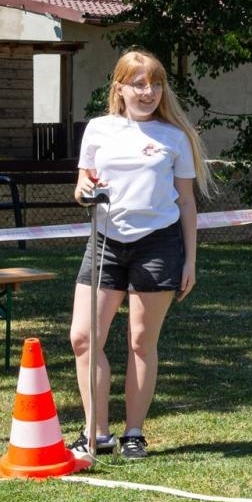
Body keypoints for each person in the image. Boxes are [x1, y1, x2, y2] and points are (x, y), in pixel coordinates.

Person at [69, 50, 213, 460]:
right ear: (119, 87)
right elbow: (83, 184)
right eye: (139, 84)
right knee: (83, 338)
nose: (149, 92)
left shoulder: (174, 137)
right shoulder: (98, 130)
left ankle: (134, 432)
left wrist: (190, 261)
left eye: (156, 84)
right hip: (105, 244)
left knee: (140, 342)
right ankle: (96, 432)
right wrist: (83, 191)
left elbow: (186, 203)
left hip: (158, 244)